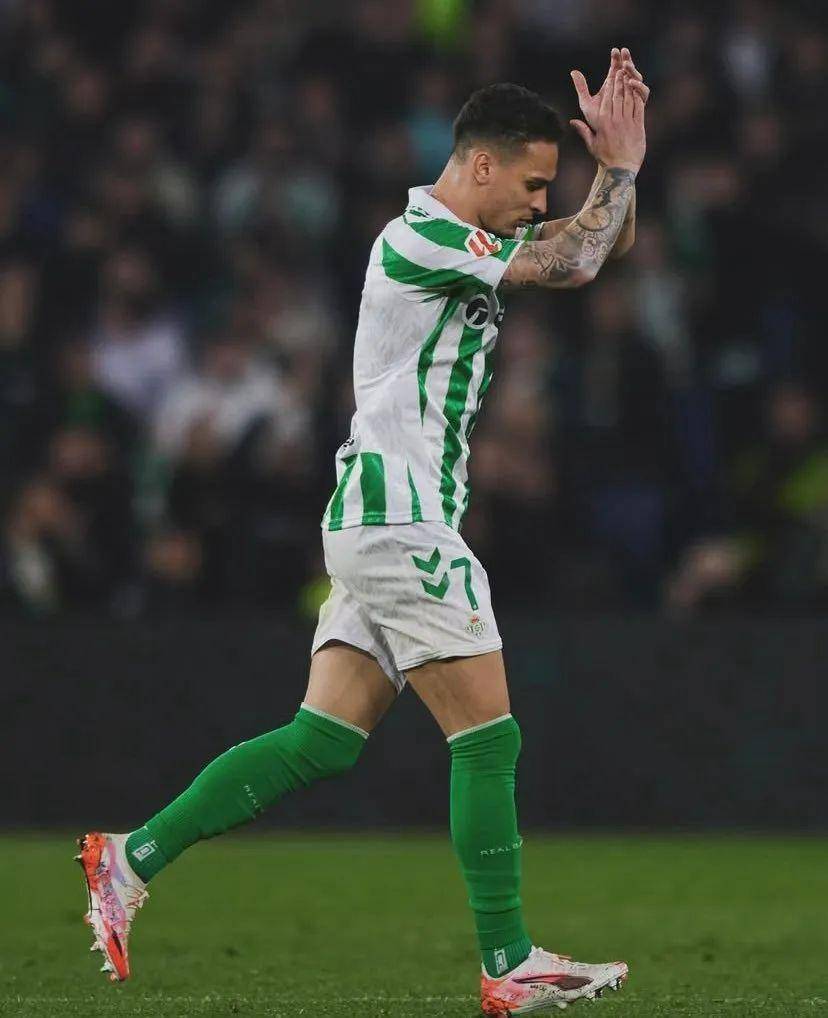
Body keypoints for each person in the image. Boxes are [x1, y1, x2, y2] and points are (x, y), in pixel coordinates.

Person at [76, 47, 649, 1015]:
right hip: (401, 516)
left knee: (321, 742)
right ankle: (507, 961)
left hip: (379, 514)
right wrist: (621, 170)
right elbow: (579, 256)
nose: (539, 202)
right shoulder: (421, 236)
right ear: (479, 164)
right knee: (489, 739)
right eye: (531, 184)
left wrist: (614, 173)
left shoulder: (468, 237)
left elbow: (598, 246)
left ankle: (126, 859)